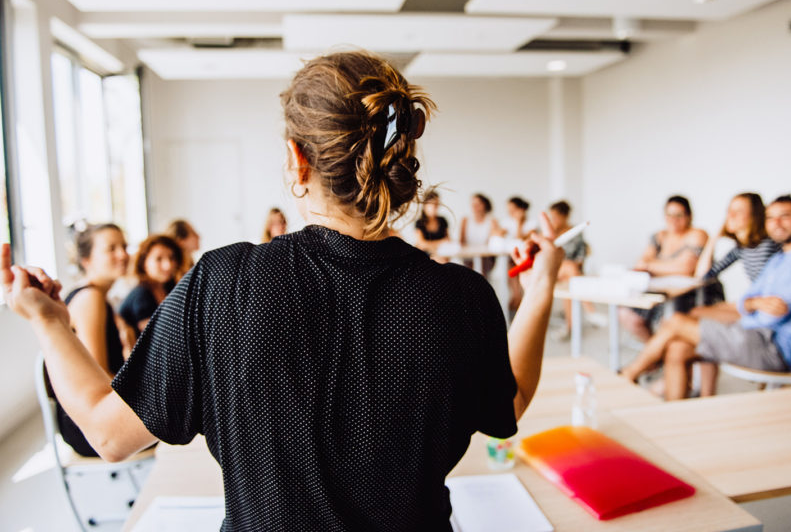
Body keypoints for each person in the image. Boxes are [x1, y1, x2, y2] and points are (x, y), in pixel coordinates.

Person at [2, 50, 563, 530]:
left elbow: (109, 434)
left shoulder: (221, 285)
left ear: (297, 160)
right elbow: (507, 403)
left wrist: (49, 320)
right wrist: (541, 287)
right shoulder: (461, 296)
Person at [621, 196, 791, 401]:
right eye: (771, 217)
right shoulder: (779, 258)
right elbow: (745, 297)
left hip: (771, 347)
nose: (776, 223)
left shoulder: (782, 256)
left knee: (678, 321)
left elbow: (770, 317)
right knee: (677, 348)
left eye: (784, 216)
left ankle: (629, 374)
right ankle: (674, 417)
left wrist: (748, 307)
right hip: (752, 332)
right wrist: (752, 304)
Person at [57, 224, 130, 457]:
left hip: (90, 412)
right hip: (88, 422)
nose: (123, 254)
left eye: (124, 247)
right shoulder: (90, 298)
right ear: (87, 260)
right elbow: (98, 375)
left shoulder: (99, 297)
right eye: (111, 249)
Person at [619, 195, 708, 341]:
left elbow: (686, 268)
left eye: (679, 215)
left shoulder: (697, 234)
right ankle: (656, 356)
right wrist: (662, 266)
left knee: (668, 321)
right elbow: (641, 263)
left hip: (689, 295)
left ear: (689, 216)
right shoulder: (659, 236)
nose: (673, 219)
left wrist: (651, 266)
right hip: (660, 291)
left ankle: (660, 355)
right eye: (669, 215)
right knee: (626, 314)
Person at [693, 192, 780, 321]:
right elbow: (703, 276)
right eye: (729, 210)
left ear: (754, 216)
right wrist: (714, 238)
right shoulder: (741, 248)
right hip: (755, 304)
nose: (730, 215)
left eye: (738, 211)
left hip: (767, 308)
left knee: (697, 314)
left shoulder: (768, 244)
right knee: (696, 312)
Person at [119, 235, 182, 338]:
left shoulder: (169, 288)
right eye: (159, 259)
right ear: (143, 262)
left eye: (172, 258)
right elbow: (157, 336)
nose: (168, 265)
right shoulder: (141, 294)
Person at [548, 200, 592, 336]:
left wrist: (572, 266)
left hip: (570, 273)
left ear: (564, 216)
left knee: (570, 277)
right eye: (551, 217)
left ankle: (569, 327)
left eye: (555, 217)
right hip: (553, 271)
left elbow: (581, 257)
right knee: (570, 269)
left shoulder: (575, 233)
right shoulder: (549, 235)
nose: (553, 220)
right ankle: (590, 309)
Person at [502, 196, 536, 316]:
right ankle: (516, 296)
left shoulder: (532, 223)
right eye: (509, 210)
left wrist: (519, 222)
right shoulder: (507, 222)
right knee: (510, 267)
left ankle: (517, 298)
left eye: (513, 210)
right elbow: (499, 234)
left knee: (516, 266)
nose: (510, 213)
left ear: (521, 209)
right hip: (512, 257)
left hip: (527, 257)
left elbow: (519, 238)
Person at [459, 193, 501, 277]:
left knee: (481, 271)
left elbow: (494, 239)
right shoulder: (465, 220)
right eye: (473, 204)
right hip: (469, 257)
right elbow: (461, 242)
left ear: (484, 205)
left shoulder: (491, 220)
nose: (475, 207)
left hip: (486, 257)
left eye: (478, 204)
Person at [414, 190, 450, 263]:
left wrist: (429, 245)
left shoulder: (442, 221)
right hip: (425, 258)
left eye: (437, 204)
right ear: (425, 205)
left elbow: (448, 241)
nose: (435, 207)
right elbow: (421, 244)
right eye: (433, 204)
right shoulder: (420, 223)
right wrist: (440, 243)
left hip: (442, 255)